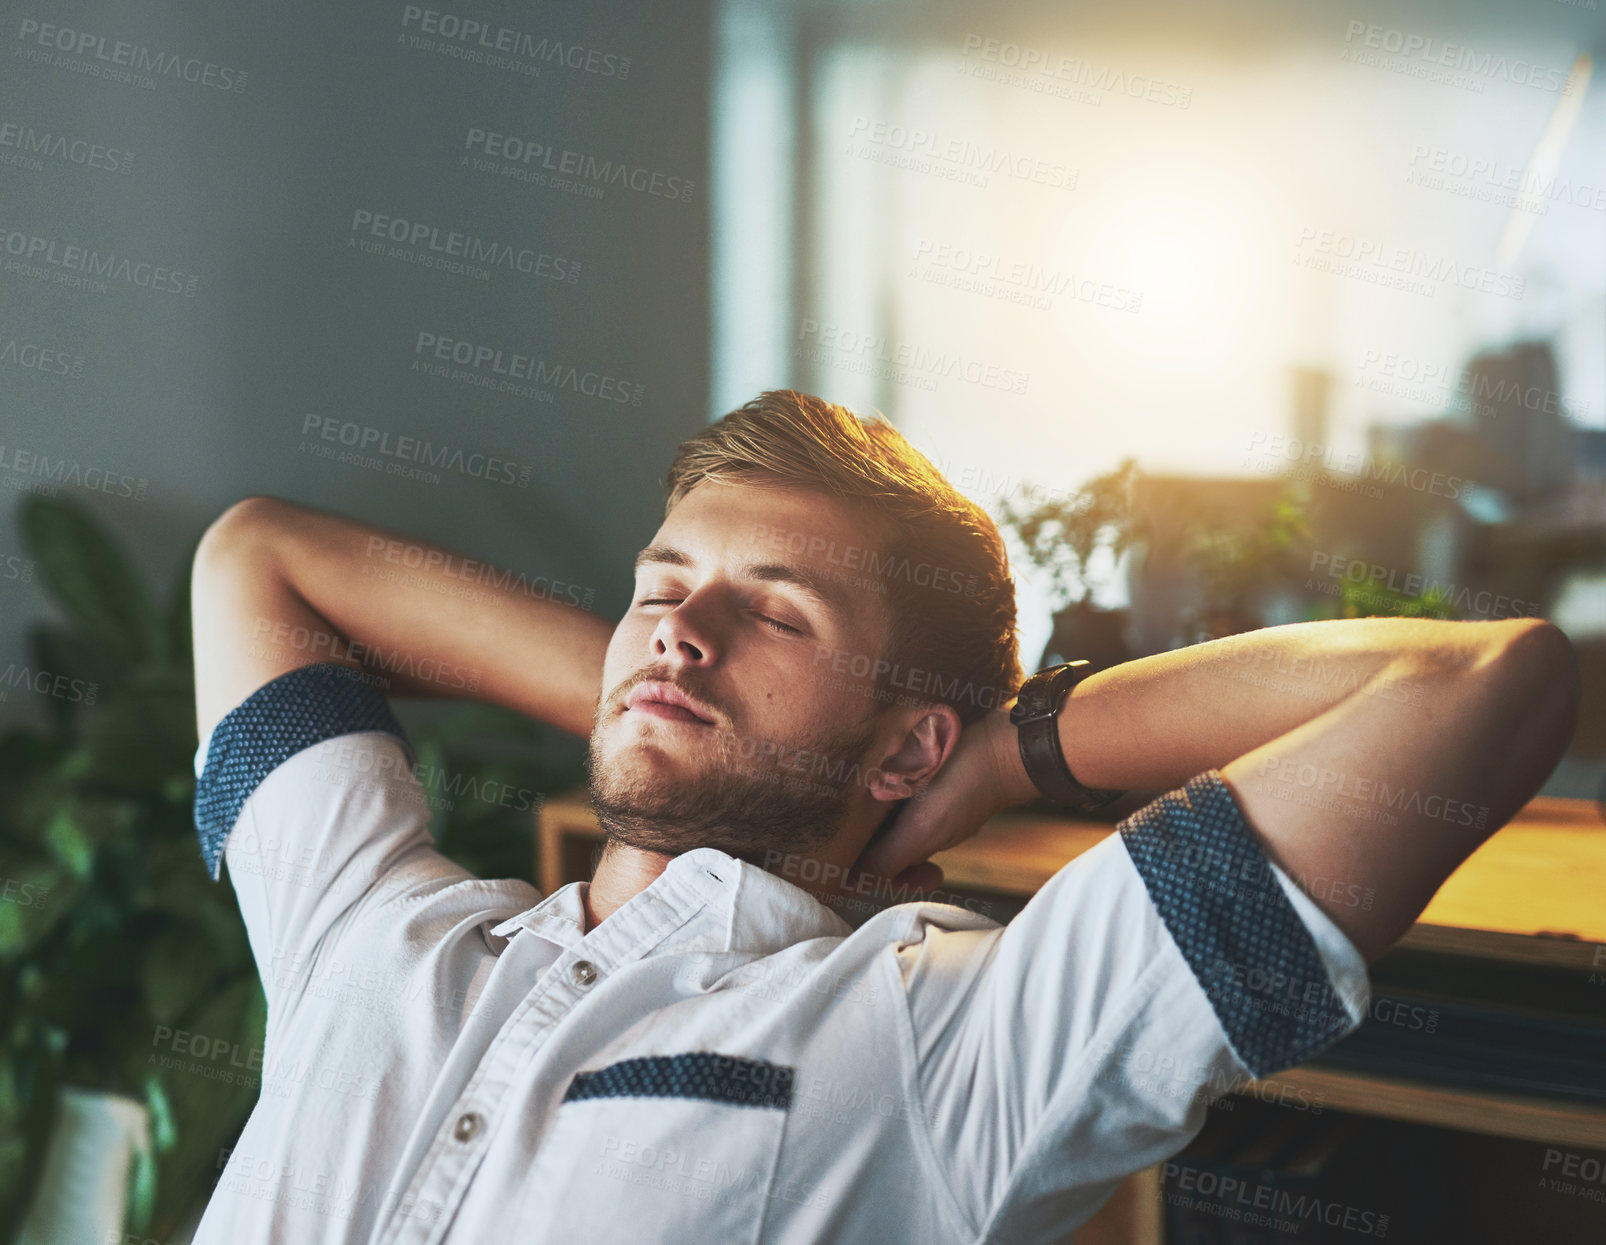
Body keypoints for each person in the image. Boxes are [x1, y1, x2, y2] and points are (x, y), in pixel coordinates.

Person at [187, 389, 1578, 1243]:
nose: (681, 628)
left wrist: (996, 756)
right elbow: (263, 557)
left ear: (907, 736)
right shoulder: (373, 928)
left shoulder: (946, 1032)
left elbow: (1473, 678)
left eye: (774, 609)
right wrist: (661, 706)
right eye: (661, 586)